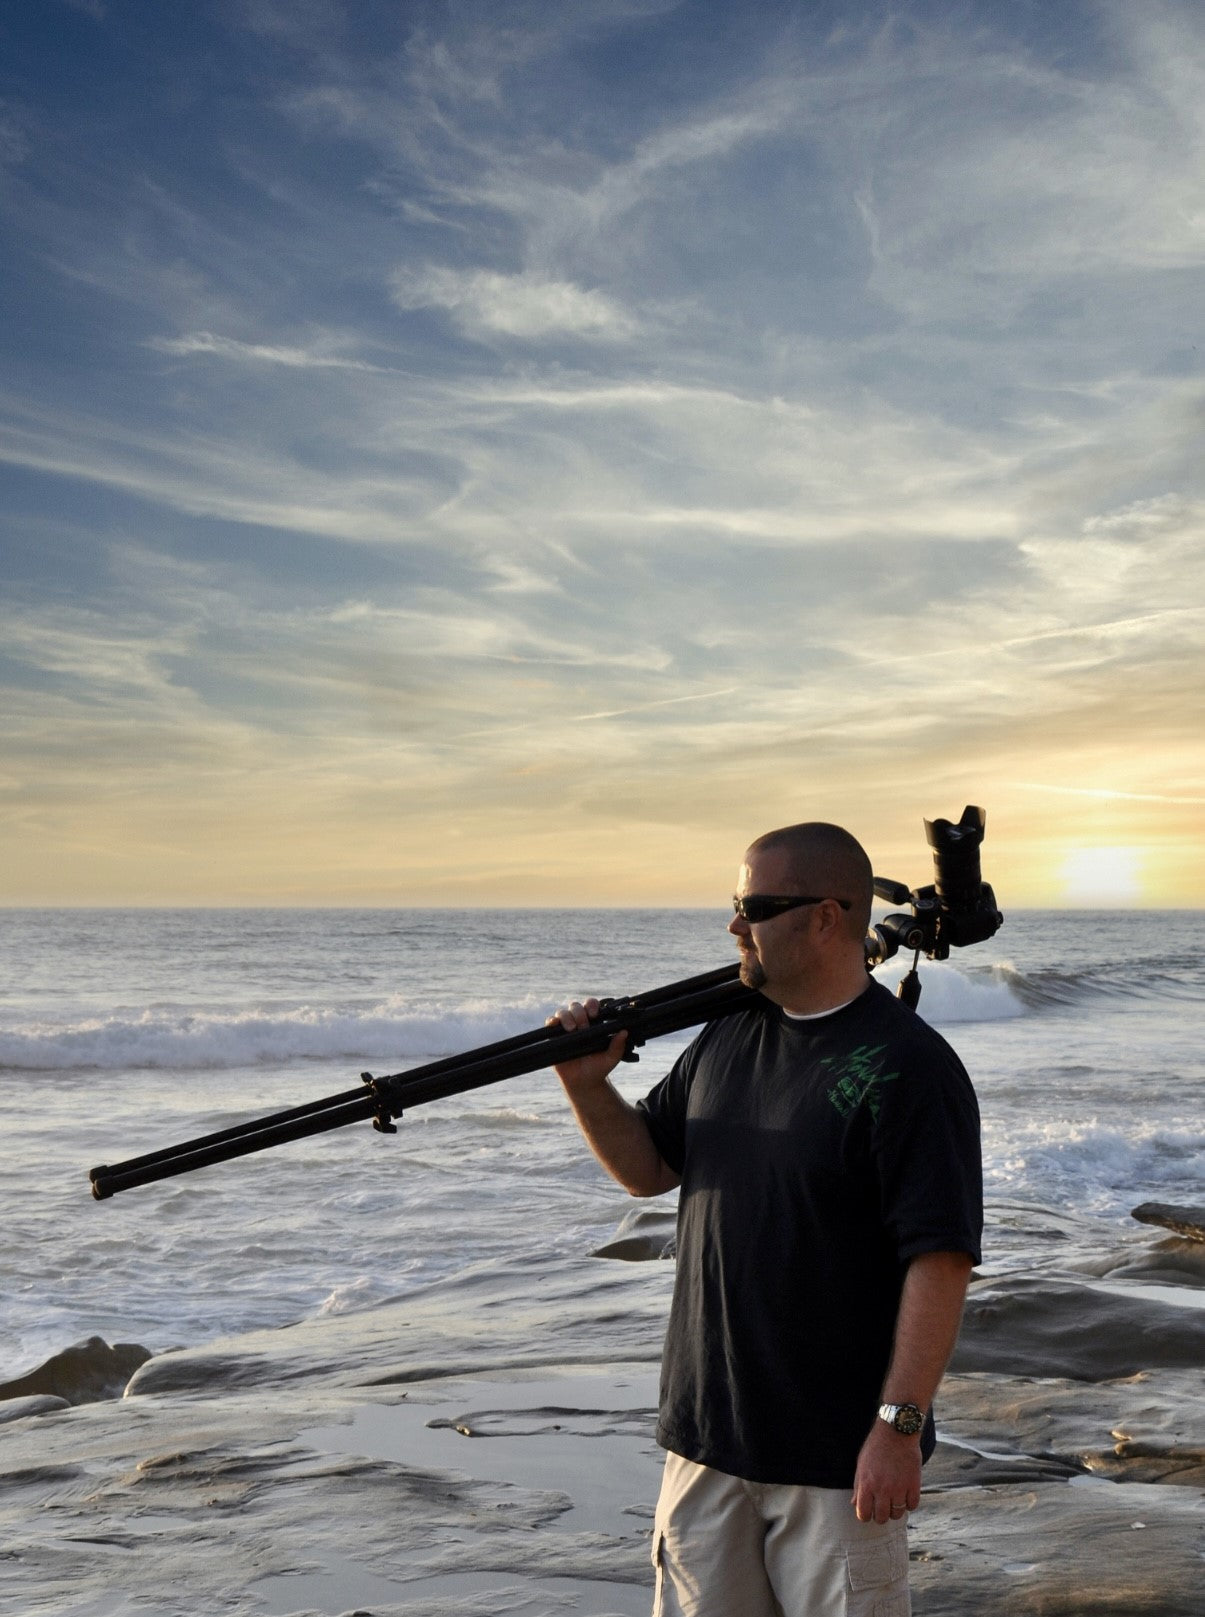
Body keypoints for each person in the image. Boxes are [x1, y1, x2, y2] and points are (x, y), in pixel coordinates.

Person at [550, 821, 982, 1617]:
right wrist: (585, 1086)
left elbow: (940, 1259)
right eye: (734, 904)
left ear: (823, 916)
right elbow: (648, 1168)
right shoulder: (728, 1033)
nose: (733, 925)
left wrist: (896, 1427)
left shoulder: (908, 1067)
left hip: (835, 1461)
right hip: (707, 1439)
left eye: (752, 905)